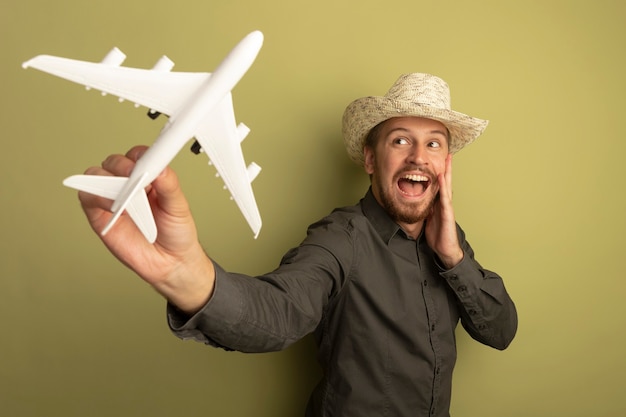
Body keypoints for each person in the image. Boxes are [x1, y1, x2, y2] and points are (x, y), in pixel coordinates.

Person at [76, 73, 517, 417]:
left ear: (445, 164)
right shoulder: (341, 238)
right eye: (400, 139)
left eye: (433, 144)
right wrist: (189, 280)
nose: (418, 157)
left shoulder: (450, 240)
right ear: (370, 158)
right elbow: (281, 311)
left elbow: (500, 331)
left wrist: (454, 258)